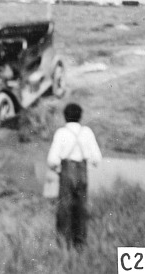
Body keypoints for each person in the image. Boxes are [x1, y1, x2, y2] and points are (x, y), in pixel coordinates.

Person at [46, 103, 102, 249]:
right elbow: (97, 159)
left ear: (65, 116)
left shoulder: (61, 133)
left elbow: (52, 160)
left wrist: (57, 169)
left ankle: (64, 244)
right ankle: (80, 244)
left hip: (67, 171)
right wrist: (86, 163)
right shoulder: (87, 132)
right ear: (80, 116)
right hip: (82, 173)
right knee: (81, 208)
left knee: (64, 208)